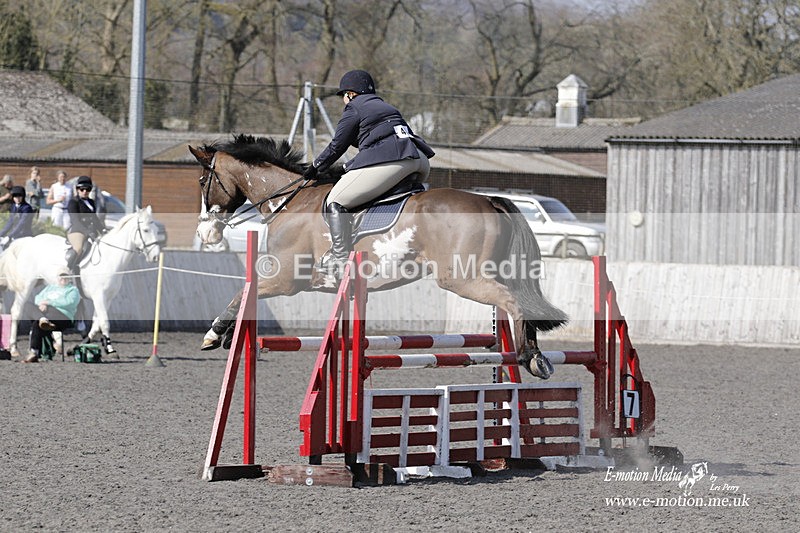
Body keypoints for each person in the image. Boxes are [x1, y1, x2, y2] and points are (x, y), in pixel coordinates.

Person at [302, 70, 435, 275]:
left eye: (344, 97)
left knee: (335, 201)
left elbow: (338, 145)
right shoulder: (386, 107)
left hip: (396, 161)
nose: (344, 102)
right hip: (420, 160)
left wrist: (315, 166)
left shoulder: (355, 107)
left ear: (351, 93)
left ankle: (339, 256)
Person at [23, 270, 80, 363]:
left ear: (69, 278)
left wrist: (49, 303)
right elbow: (38, 297)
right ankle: (35, 351)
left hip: (63, 316)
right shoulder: (50, 288)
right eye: (61, 276)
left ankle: (35, 351)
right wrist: (42, 304)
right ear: (57, 278)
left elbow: (69, 302)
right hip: (46, 313)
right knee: (27, 305)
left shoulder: (73, 290)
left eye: (65, 276)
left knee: (36, 322)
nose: (63, 279)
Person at [66, 175, 106, 273]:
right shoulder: (73, 202)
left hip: (90, 231)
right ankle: (68, 271)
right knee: (79, 248)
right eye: (82, 189)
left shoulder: (91, 202)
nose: (85, 191)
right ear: (77, 189)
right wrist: (87, 232)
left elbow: (94, 218)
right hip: (77, 231)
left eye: (87, 189)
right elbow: (75, 220)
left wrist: (103, 230)